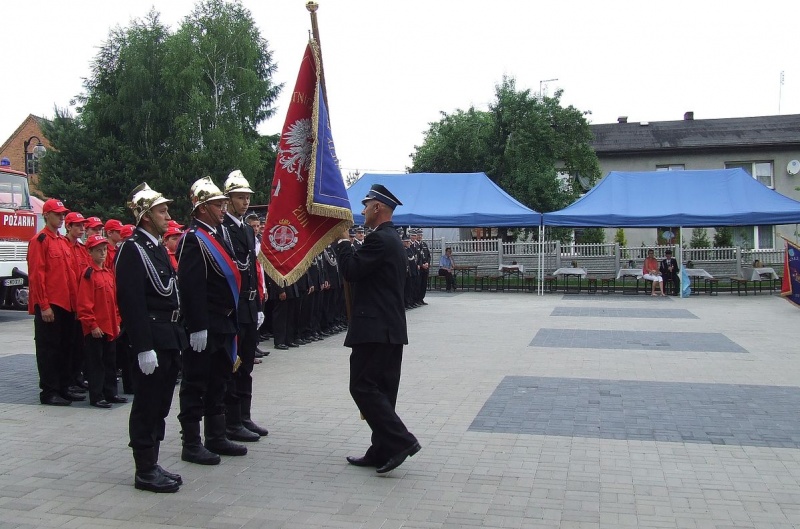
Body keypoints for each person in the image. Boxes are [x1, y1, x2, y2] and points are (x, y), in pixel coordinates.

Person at [334, 183, 420, 474]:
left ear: (377, 208)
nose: (362, 211)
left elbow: (351, 271)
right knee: (382, 390)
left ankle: (401, 441)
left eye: (365, 205)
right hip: (388, 327)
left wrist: (343, 242)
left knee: (362, 386)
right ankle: (381, 449)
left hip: (375, 329)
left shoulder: (380, 240)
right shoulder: (391, 239)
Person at [115, 183, 187, 493]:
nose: (167, 214)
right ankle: (143, 469)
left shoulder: (155, 247)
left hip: (168, 336)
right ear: (146, 216)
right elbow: (132, 302)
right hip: (152, 340)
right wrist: (143, 347)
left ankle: (153, 461)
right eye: (161, 210)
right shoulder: (132, 249)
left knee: (160, 404)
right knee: (146, 404)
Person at [177, 176, 247, 465]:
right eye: (218, 204)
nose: (223, 209)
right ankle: (191, 442)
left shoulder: (217, 235)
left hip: (223, 322)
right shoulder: (194, 239)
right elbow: (191, 286)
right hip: (206, 324)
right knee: (196, 382)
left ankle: (216, 435)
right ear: (203, 208)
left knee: (220, 379)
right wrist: (198, 325)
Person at [221, 170, 269, 441]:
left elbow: (252, 270)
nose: (246, 202)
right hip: (235, 306)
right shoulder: (225, 230)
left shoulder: (245, 230)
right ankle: (232, 420)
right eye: (240, 197)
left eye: (248, 197)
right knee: (235, 365)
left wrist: (259, 305)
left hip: (250, 305)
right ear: (228, 200)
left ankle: (244, 416)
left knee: (247, 365)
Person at [27, 198, 83, 406]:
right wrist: (44, 305)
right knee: (49, 350)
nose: (61, 218)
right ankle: (49, 391)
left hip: (66, 304)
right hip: (51, 305)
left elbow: (71, 276)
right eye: (57, 214)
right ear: (46, 215)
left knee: (65, 347)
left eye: (62, 214)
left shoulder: (62, 242)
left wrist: (76, 305)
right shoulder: (40, 240)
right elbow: (37, 276)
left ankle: (63, 387)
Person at [77, 234, 125, 409]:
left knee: (110, 361)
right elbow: (84, 303)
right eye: (98, 250)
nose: (103, 253)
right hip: (96, 328)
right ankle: (97, 396)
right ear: (90, 252)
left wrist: (117, 321)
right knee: (96, 363)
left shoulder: (108, 273)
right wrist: (93, 324)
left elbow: (114, 302)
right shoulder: (88, 274)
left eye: (104, 250)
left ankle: (110, 392)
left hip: (110, 325)